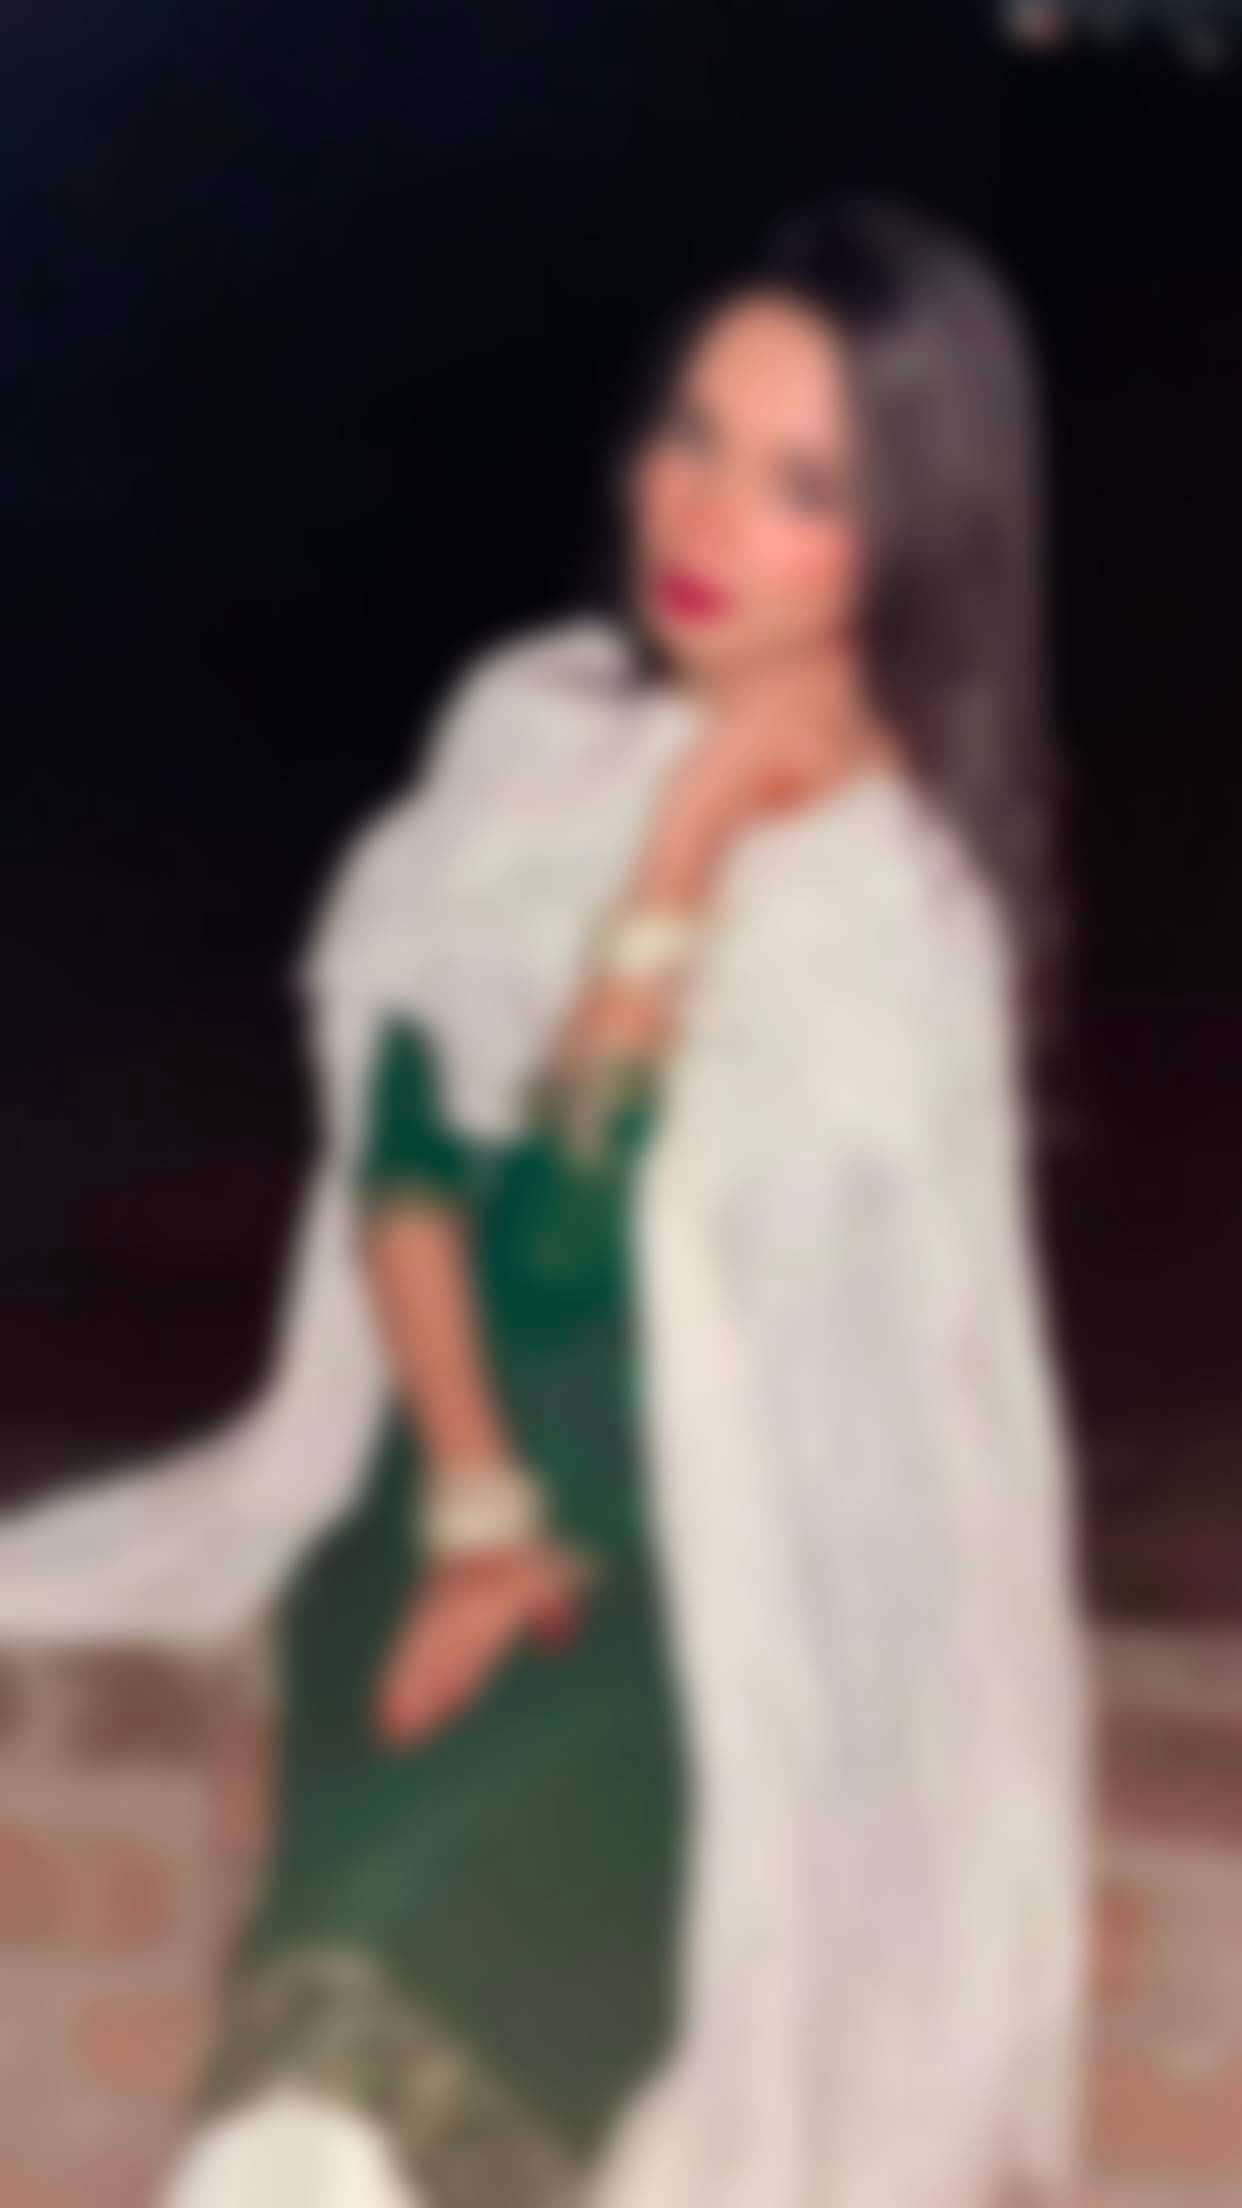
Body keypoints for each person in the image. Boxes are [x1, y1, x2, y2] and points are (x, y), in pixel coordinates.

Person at [0, 197, 1090, 2208]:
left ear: (912, 539)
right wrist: (474, 1508)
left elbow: (609, 1277)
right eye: (689, 435)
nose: (701, 512)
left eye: (799, 487)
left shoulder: (894, 917)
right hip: (437, 1525)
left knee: (343, 2100)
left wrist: (686, 850)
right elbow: (409, 1160)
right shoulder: (528, 734)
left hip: (691, 1617)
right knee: (313, 2088)